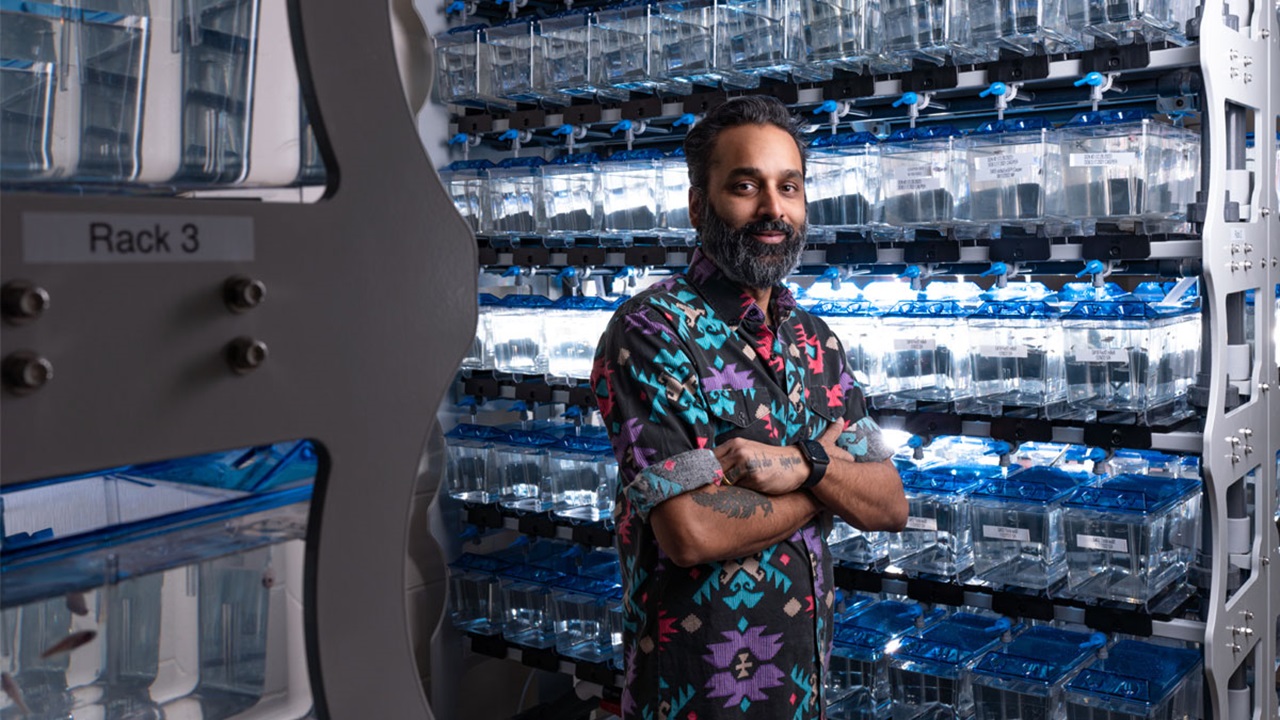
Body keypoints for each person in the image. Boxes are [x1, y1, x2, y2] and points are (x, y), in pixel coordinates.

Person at [590, 95, 909, 720]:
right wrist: (827, 479)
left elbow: (890, 501)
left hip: (803, 690)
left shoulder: (817, 342)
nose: (773, 209)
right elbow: (691, 530)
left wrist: (801, 463)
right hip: (691, 696)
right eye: (745, 186)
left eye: (788, 187)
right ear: (697, 204)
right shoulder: (653, 331)